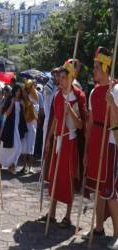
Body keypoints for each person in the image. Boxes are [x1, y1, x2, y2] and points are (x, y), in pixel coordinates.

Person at [40, 63, 86, 228]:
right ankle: (51, 213)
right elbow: (56, 120)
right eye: (59, 77)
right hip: (58, 141)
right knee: (54, 177)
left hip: (70, 141)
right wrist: (48, 141)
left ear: (71, 79)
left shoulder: (78, 96)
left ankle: (67, 216)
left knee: (68, 177)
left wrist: (71, 111)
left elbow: (81, 125)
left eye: (63, 77)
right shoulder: (58, 96)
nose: (59, 80)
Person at [83, 47, 118, 249]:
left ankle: (117, 233)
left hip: (111, 141)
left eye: (96, 67)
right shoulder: (94, 91)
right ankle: (98, 227)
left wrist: (112, 104)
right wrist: (87, 150)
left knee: (110, 191)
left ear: (105, 68)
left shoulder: (115, 90)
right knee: (97, 188)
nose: (93, 71)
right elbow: (89, 123)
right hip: (96, 139)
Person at [0, 84, 27, 174]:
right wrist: (12, 103)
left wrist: (23, 106)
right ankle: (10, 165)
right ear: (14, 91)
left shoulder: (22, 101)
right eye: (17, 91)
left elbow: (23, 115)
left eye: (19, 91)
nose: (18, 93)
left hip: (18, 127)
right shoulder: (10, 100)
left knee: (18, 148)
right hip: (10, 126)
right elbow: (6, 113)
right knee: (14, 147)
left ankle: (12, 165)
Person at [21, 79, 39, 174]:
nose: (27, 90)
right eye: (26, 88)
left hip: (32, 125)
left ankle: (30, 167)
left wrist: (28, 101)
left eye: (29, 88)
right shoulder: (23, 97)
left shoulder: (36, 97)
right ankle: (24, 167)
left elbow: (36, 113)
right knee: (24, 147)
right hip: (25, 125)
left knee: (31, 147)